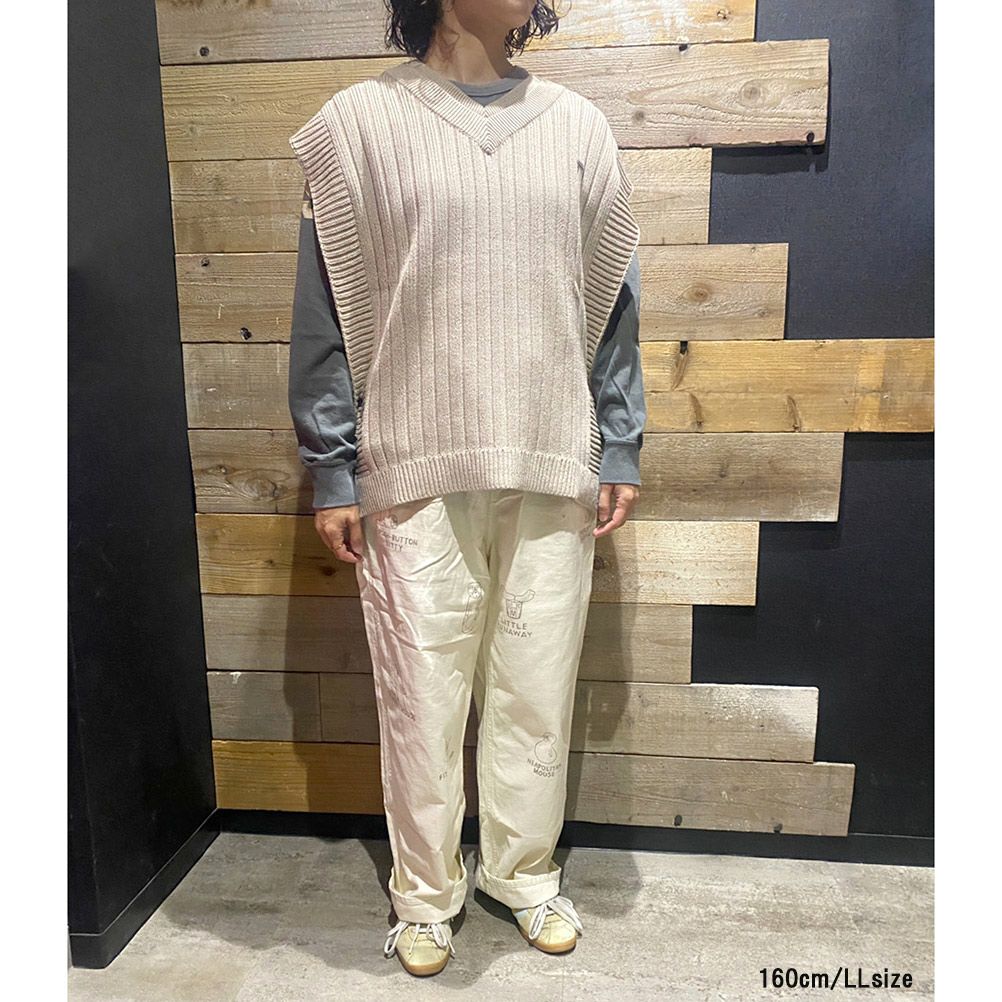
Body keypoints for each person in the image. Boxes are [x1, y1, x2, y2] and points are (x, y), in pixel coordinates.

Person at [287, 0, 644, 977]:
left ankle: (523, 874)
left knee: (537, 688)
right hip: (414, 458)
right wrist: (332, 465)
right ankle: (424, 893)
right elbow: (325, 310)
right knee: (422, 698)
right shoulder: (358, 127)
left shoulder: (579, 130)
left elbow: (613, 303)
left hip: (549, 452)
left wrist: (618, 444)